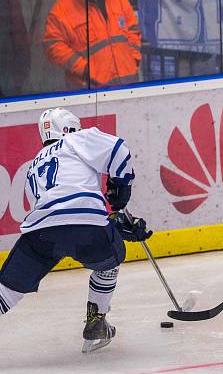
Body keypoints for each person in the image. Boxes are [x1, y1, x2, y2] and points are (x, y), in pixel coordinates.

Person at [0, 108, 150, 353]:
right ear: (67, 129)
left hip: (41, 231)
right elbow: (119, 151)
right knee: (109, 263)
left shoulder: (34, 165)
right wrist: (120, 189)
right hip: (87, 224)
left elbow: (59, 219)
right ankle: (96, 321)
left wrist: (111, 222)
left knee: (6, 290)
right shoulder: (76, 139)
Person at [44, 0, 141, 90]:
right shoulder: (61, 11)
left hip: (129, 85)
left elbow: (133, 30)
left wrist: (134, 59)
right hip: (89, 91)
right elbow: (53, 47)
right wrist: (84, 70)